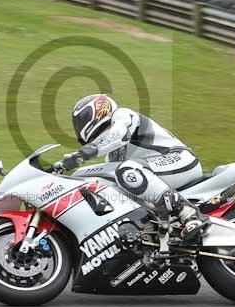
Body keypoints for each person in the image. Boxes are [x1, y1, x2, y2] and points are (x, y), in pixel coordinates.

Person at [54, 93, 210, 241]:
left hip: (179, 159)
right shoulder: (112, 155)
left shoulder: (124, 115)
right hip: (158, 173)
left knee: (126, 170)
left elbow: (118, 135)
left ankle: (190, 214)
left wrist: (84, 153)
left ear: (98, 111)